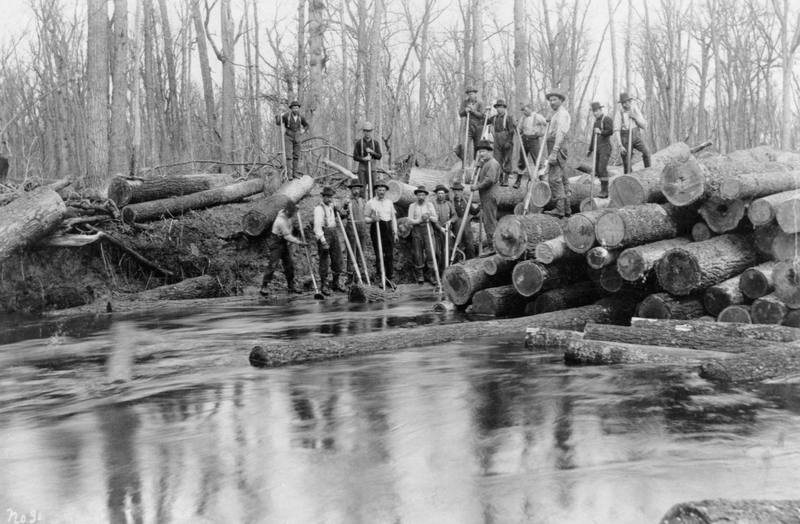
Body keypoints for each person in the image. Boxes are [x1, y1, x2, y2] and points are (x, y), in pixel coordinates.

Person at [260, 201, 307, 297]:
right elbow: (287, 236)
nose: (292, 215)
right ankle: (264, 286)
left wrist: (296, 208)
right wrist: (299, 242)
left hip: (283, 241)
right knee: (273, 264)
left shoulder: (287, 213)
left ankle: (291, 286)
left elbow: (295, 207)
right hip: (276, 241)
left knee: (289, 264)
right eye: (291, 213)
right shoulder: (281, 221)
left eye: (293, 213)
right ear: (286, 211)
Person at [543, 88, 572, 218]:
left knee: (554, 179)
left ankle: (560, 209)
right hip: (555, 144)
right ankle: (567, 209)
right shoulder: (555, 113)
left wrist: (554, 151)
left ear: (561, 100)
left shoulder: (561, 114)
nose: (552, 102)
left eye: (555, 100)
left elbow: (560, 133)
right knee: (564, 178)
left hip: (558, 145)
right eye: (550, 100)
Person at [365, 178, 399, 283]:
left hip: (388, 228)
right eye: (380, 190)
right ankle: (381, 277)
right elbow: (365, 218)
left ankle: (390, 276)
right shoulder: (371, 203)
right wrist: (372, 219)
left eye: (383, 190)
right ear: (376, 190)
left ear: (386, 191)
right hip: (377, 228)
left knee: (389, 254)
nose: (381, 192)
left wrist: (395, 232)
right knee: (379, 253)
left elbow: (393, 217)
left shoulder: (389, 202)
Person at [470, 140, 500, 254]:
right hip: (485, 196)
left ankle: (493, 247)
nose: (481, 154)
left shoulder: (493, 163)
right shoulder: (486, 163)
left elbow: (489, 180)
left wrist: (477, 187)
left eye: (483, 151)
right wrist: (479, 165)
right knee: (489, 221)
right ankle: (494, 244)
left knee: (489, 222)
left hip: (490, 196)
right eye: (480, 152)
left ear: (489, 152)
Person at [313, 187, 345, 295]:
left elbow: (341, 216)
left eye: (331, 197)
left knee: (337, 258)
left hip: (334, 232)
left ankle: (335, 283)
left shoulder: (332, 206)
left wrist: (342, 210)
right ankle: (324, 285)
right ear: (323, 197)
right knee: (324, 261)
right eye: (327, 197)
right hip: (324, 234)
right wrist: (323, 241)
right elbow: (317, 227)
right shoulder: (319, 209)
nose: (329, 199)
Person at [407, 186, 439, 283]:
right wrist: (419, 220)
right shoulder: (412, 206)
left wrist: (428, 217)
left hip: (428, 229)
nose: (421, 197)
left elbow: (436, 219)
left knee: (430, 252)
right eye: (419, 195)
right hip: (417, 230)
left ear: (426, 196)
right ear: (416, 196)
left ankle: (430, 275)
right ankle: (420, 275)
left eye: (423, 195)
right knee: (418, 253)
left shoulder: (430, 205)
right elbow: (409, 220)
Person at [613, 92, 651, 174]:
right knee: (627, 163)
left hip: (637, 137)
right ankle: (629, 179)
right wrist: (620, 145)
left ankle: (648, 173)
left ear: (630, 102)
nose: (626, 104)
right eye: (624, 103)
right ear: (622, 104)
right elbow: (617, 130)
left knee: (647, 151)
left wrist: (635, 118)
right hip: (625, 140)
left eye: (627, 102)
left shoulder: (635, 110)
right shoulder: (619, 114)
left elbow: (644, 125)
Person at [340, 179, 367, 285]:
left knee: (361, 253)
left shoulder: (362, 200)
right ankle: (350, 277)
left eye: (358, 188)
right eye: (354, 188)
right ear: (351, 189)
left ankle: (360, 275)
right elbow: (341, 215)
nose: (356, 190)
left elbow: (366, 215)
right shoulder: (347, 200)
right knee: (352, 253)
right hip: (352, 227)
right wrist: (346, 207)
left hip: (362, 227)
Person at [515, 104, 548, 189]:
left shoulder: (537, 116)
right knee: (522, 160)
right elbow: (519, 129)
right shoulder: (523, 118)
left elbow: (546, 124)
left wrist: (542, 133)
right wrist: (516, 128)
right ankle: (518, 180)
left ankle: (542, 179)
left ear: (530, 108)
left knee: (537, 160)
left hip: (534, 140)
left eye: (524, 109)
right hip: (524, 139)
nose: (523, 112)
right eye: (522, 110)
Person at [275, 100, 309, 179]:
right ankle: (289, 174)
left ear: (298, 108)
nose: (295, 109)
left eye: (297, 108)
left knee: (296, 156)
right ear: (291, 109)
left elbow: (306, 125)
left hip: (297, 137)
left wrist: (303, 131)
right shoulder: (286, 116)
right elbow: (278, 123)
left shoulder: (301, 117)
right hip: (288, 137)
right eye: (294, 108)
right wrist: (278, 114)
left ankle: (295, 173)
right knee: (289, 156)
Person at [587, 101, 614, 198]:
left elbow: (611, 131)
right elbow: (593, 137)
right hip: (597, 147)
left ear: (600, 110)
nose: (595, 113)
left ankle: (605, 191)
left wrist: (601, 132)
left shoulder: (606, 119)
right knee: (597, 170)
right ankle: (602, 189)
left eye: (597, 111)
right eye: (594, 111)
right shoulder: (595, 122)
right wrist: (590, 149)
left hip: (605, 146)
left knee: (602, 168)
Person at [487, 99, 516, 186]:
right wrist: (485, 114)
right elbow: (484, 122)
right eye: (497, 107)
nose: (499, 109)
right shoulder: (493, 118)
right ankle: (500, 179)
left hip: (507, 140)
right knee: (497, 160)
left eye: (500, 107)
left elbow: (511, 131)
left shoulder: (508, 118)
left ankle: (506, 179)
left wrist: (509, 141)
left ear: (504, 108)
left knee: (507, 159)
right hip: (497, 141)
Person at [431, 184, 456, 275]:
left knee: (448, 251)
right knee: (437, 252)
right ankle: (436, 274)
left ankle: (446, 272)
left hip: (447, 230)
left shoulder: (449, 204)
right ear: (436, 194)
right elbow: (432, 220)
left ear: (445, 194)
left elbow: (455, 215)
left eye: (442, 193)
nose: (441, 195)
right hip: (436, 231)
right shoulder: (433, 204)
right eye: (439, 193)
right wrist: (439, 228)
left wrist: (450, 221)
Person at [451, 181, 479, 260]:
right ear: (453, 192)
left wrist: (478, 208)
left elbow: (473, 212)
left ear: (462, 192)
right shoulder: (451, 202)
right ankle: (457, 262)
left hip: (467, 226)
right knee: (457, 244)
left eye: (459, 191)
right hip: (456, 226)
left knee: (469, 244)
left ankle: (471, 260)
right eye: (455, 191)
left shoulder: (466, 200)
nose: (457, 193)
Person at [458, 86, 486, 162]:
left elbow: (482, 116)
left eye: (472, 94)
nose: (471, 96)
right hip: (468, 127)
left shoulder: (480, 102)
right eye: (469, 94)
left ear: (475, 94)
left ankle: (475, 166)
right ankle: (464, 165)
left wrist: (473, 111)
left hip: (478, 127)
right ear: (468, 95)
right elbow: (460, 114)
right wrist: (465, 110)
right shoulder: (465, 102)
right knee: (464, 146)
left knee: (478, 147)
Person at [352, 122, 382, 191]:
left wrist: (372, 152)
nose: (367, 133)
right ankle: (362, 201)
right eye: (366, 131)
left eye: (369, 131)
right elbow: (355, 157)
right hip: (362, 168)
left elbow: (379, 156)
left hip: (372, 168)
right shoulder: (358, 143)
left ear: (371, 132)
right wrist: (363, 158)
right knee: (361, 188)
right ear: (363, 131)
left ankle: (372, 201)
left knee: (373, 188)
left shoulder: (375, 143)